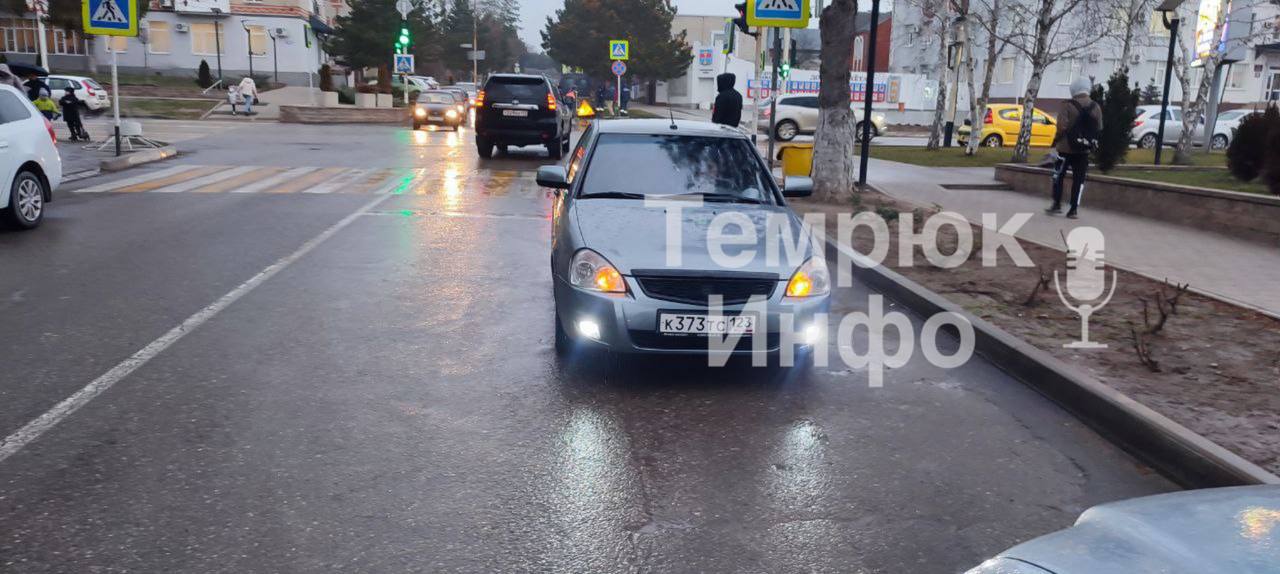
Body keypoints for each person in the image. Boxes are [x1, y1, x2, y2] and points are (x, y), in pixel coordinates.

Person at [1047, 77, 1102, 220]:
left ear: (1073, 89)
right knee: (1079, 180)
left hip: (1065, 149)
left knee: (1058, 176)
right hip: (1084, 150)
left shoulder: (1067, 105)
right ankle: (1073, 210)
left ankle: (1057, 204)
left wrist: (1057, 139)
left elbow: (1060, 126)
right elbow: (1099, 127)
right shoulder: (1095, 106)